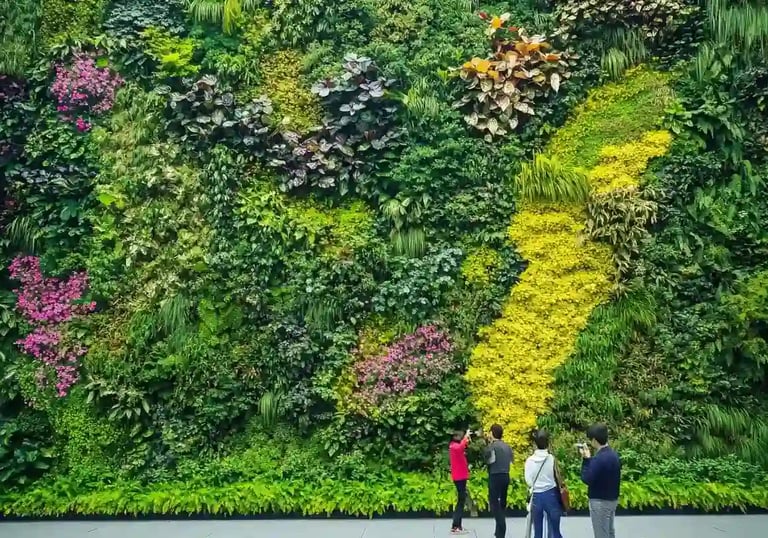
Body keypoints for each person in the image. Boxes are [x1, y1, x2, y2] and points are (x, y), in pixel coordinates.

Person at [579, 424, 621, 538]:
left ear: (594, 440)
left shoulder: (599, 459)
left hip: (600, 502)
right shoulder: (614, 455)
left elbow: (587, 478)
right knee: (610, 532)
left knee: (601, 534)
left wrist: (586, 460)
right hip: (612, 500)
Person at [525, 429, 564, 538]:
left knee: (538, 530)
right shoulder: (551, 458)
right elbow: (557, 476)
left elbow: (528, 481)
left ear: (535, 443)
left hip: (536, 496)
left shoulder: (530, 460)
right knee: (555, 529)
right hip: (551, 494)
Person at [484, 424, 514, 538]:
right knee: (502, 503)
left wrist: (487, 445)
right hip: (505, 475)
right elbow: (511, 460)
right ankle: (498, 532)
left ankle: (501, 526)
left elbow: (489, 461)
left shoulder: (492, 447)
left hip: (495, 475)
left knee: (494, 503)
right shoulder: (507, 446)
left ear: (492, 433)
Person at [449, 429, 472, 535]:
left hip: (461, 476)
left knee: (461, 500)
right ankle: (455, 526)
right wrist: (466, 437)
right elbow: (461, 446)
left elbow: (463, 446)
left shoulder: (455, 446)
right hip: (459, 477)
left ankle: (458, 525)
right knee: (461, 501)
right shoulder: (454, 447)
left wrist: (466, 439)